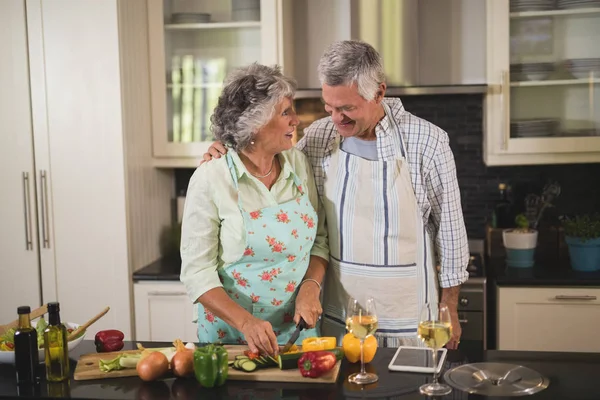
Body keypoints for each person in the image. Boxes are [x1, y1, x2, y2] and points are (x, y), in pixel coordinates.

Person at [203, 40, 469, 350]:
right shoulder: (319, 136)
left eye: (346, 108)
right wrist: (224, 153)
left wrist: (449, 305)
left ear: (379, 93)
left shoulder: (428, 143)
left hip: (409, 319)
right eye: (329, 107)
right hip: (339, 318)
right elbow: (266, 157)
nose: (336, 118)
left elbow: (450, 231)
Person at [180, 63, 329, 357]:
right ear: (255, 123)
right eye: (285, 112)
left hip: (301, 334)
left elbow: (320, 240)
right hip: (233, 338)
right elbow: (197, 273)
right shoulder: (212, 178)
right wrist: (247, 323)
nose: (296, 121)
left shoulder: (298, 163)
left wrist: (311, 286)